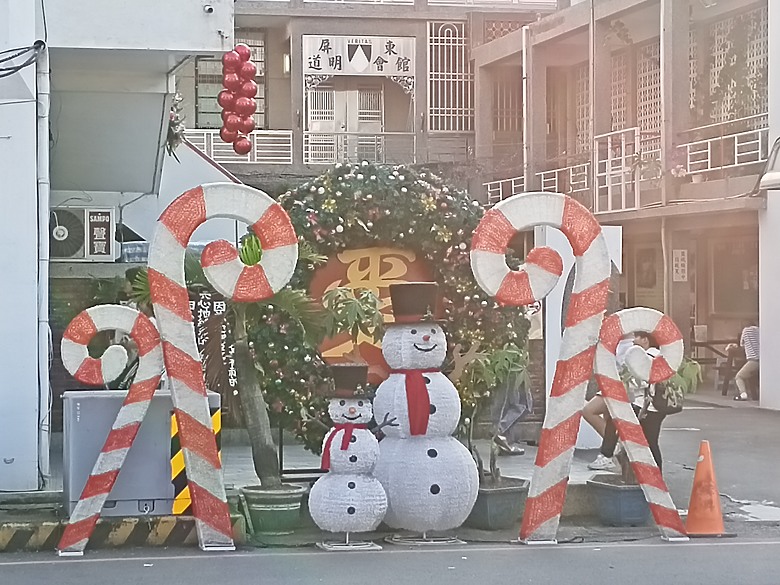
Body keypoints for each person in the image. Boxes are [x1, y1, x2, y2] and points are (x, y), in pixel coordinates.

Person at [589, 331, 665, 472]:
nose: (634, 340)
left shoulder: (647, 357)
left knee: (615, 420)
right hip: (655, 406)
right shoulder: (659, 356)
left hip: (644, 404)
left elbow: (641, 381)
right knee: (650, 442)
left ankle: (607, 455)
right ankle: (656, 475)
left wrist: (626, 380)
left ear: (645, 340)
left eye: (637, 337)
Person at [583, 334, 634, 469]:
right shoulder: (617, 342)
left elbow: (623, 369)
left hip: (618, 387)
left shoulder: (628, 346)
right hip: (610, 385)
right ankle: (613, 447)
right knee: (608, 419)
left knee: (589, 411)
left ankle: (613, 447)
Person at [491, 371, 533, 455]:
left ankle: (505, 444)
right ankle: (499, 430)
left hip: (505, 371)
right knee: (522, 404)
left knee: (508, 405)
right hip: (514, 371)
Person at [729, 321, 759, 401]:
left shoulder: (745, 331)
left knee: (739, 376)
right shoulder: (760, 330)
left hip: (753, 360)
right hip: (763, 360)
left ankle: (743, 394)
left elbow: (741, 344)